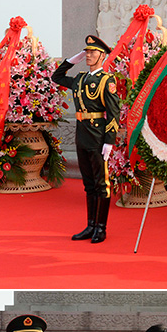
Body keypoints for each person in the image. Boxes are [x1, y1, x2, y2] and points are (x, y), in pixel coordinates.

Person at [52, 35, 120, 244]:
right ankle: (90, 225)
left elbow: (114, 113)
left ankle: (101, 227)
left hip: (99, 137)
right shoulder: (80, 79)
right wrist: (74, 59)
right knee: (89, 184)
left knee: (101, 184)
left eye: (92, 52)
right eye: (86, 52)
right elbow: (57, 76)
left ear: (102, 55)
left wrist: (109, 141)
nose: (88, 55)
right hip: (82, 136)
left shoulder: (106, 81)